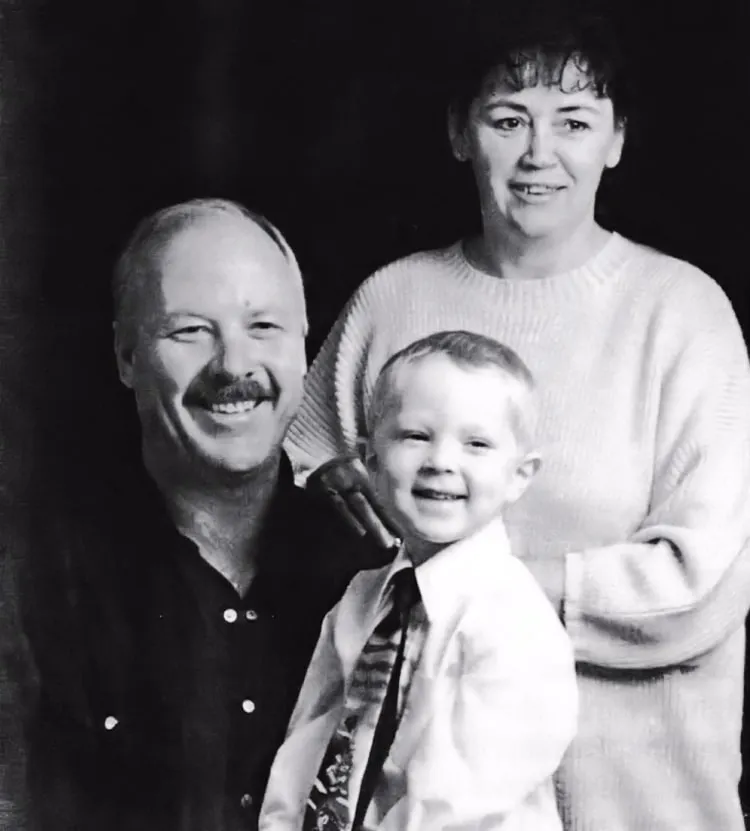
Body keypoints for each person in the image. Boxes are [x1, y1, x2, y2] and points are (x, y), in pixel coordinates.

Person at [283, 7, 750, 831]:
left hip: (639, 807)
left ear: (615, 140)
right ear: (461, 134)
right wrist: (326, 484)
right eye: (508, 119)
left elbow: (696, 586)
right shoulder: (392, 300)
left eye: (574, 121)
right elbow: (299, 470)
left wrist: (464, 592)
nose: (540, 154)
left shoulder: (682, 314)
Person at [21, 199, 383, 831]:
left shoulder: (368, 574)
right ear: (126, 356)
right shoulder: (37, 579)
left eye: (264, 327)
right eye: (190, 331)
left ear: (304, 347)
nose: (235, 366)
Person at [261, 330, 577, 831]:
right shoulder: (363, 600)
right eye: (416, 435)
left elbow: (456, 804)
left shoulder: (515, 625)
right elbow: (311, 738)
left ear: (520, 474)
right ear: (369, 460)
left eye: (476, 443)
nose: (441, 462)